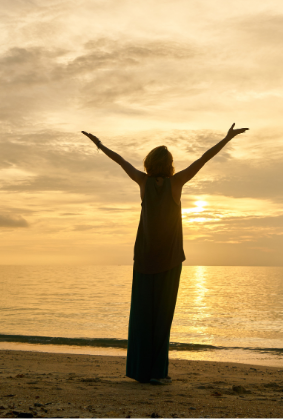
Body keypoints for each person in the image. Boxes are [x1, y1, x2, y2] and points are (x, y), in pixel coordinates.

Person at [81, 124, 249, 384]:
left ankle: (140, 372)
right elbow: (203, 159)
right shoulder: (176, 182)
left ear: (149, 164)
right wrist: (226, 139)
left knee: (141, 316)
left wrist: (100, 145)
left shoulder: (143, 181)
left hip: (144, 259)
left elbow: (121, 161)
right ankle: (158, 373)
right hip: (169, 261)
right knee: (162, 318)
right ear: (169, 165)